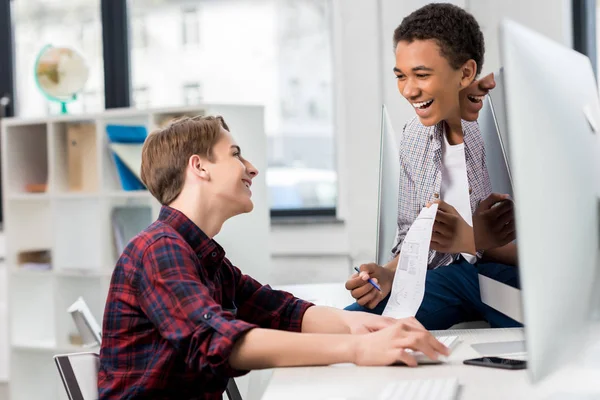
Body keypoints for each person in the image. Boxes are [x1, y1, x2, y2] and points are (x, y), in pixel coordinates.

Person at [97, 115, 449, 400]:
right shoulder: (158, 250)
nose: (252, 168)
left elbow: (281, 311)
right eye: (235, 154)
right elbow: (222, 341)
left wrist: (366, 325)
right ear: (200, 167)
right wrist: (356, 348)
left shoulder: (203, 258)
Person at [344, 3, 521, 330]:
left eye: (422, 75)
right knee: (355, 323)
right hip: (448, 279)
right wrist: (388, 273)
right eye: (401, 76)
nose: (409, 91)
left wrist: (472, 239)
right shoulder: (415, 136)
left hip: (513, 279)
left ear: (466, 73)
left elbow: (558, 255)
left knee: (539, 330)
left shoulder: (509, 132)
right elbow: (413, 238)